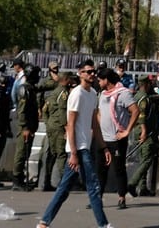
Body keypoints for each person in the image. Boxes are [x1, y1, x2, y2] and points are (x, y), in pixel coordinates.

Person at [37, 60, 114, 228]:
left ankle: (44, 222)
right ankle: (104, 224)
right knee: (93, 186)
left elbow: (94, 124)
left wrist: (104, 147)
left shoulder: (93, 94)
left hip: (84, 146)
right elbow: (70, 125)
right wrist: (73, 152)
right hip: (78, 148)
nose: (92, 74)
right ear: (80, 73)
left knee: (64, 189)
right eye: (88, 72)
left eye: (93, 71)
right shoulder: (76, 94)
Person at [96, 68, 137, 209]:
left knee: (119, 169)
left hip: (117, 138)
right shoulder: (102, 94)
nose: (98, 82)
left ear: (106, 80)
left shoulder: (123, 94)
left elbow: (135, 111)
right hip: (103, 138)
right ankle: (98, 198)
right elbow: (100, 112)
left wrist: (127, 131)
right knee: (101, 169)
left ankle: (121, 197)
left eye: (100, 79)